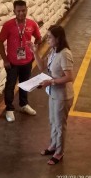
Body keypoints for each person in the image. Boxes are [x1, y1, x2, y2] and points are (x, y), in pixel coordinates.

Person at [29, 25, 74, 165]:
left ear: (58, 38)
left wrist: (51, 81)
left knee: (60, 124)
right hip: (53, 92)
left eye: (50, 37)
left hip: (62, 95)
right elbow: (42, 67)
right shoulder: (53, 50)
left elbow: (69, 77)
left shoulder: (65, 54)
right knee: (52, 121)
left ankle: (59, 152)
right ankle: (53, 146)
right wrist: (35, 52)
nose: (47, 39)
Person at [0, 0, 42, 122]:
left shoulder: (32, 24)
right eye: (19, 11)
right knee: (10, 85)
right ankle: (9, 109)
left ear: (27, 10)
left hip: (27, 61)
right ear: (14, 11)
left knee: (25, 84)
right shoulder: (8, 25)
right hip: (12, 62)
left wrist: (34, 47)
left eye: (24, 10)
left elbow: (39, 37)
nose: (21, 13)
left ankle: (24, 104)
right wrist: (5, 60)